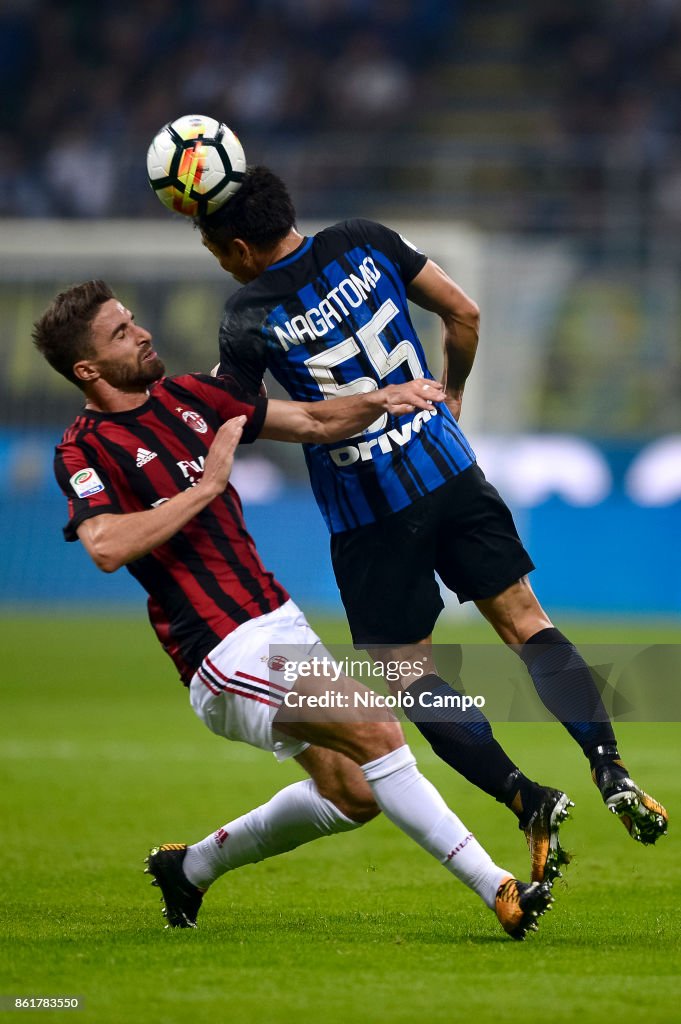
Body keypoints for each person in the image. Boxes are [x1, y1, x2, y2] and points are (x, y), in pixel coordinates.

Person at [32, 280, 556, 940]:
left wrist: (384, 398)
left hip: (275, 620)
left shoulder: (191, 397)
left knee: (355, 792)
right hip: (219, 649)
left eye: (133, 320)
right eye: (120, 333)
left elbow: (309, 421)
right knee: (376, 729)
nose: (141, 333)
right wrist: (206, 489)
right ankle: (498, 888)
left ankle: (189, 869)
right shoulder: (84, 448)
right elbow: (105, 545)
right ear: (87, 369)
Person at [195, 166, 668, 869]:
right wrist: (450, 395)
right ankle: (609, 766)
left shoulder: (246, 314)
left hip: (369, 511)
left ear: (234, 248)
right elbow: (465, 313)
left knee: (408, 671)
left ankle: (523, 797)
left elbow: (241, 414)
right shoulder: (364, 238)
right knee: (523, 621)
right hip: (448, 469)